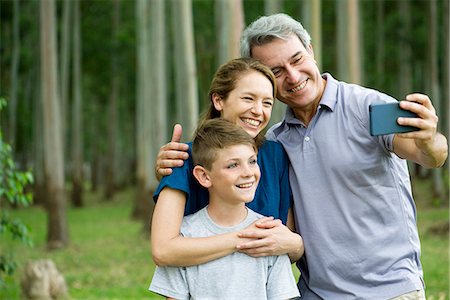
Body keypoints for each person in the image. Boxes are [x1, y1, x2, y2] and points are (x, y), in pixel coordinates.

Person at [155, 13, 448, 299]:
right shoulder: (278, 140)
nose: (293, 76)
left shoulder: (365, 107)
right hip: (316, 292)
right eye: (278, 71)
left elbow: (429, 155)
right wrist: (173, 170)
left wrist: (429, 140)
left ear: (311, 51)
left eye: (296, 59)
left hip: (388, 289)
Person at [151, 57, 304, 272]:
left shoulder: (275, 156)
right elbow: (163, 249)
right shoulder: (182, 158)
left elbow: (286, 246)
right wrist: (244, 239)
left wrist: (296, 244)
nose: (258, 111)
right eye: (248, 98)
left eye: (267, 102)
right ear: (218, 100)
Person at [149, 119, 300, 300]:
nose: (248, 172)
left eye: (252, 161)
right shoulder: (184, 236)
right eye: (233, 165)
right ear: (204, 176)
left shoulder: (269, 235)